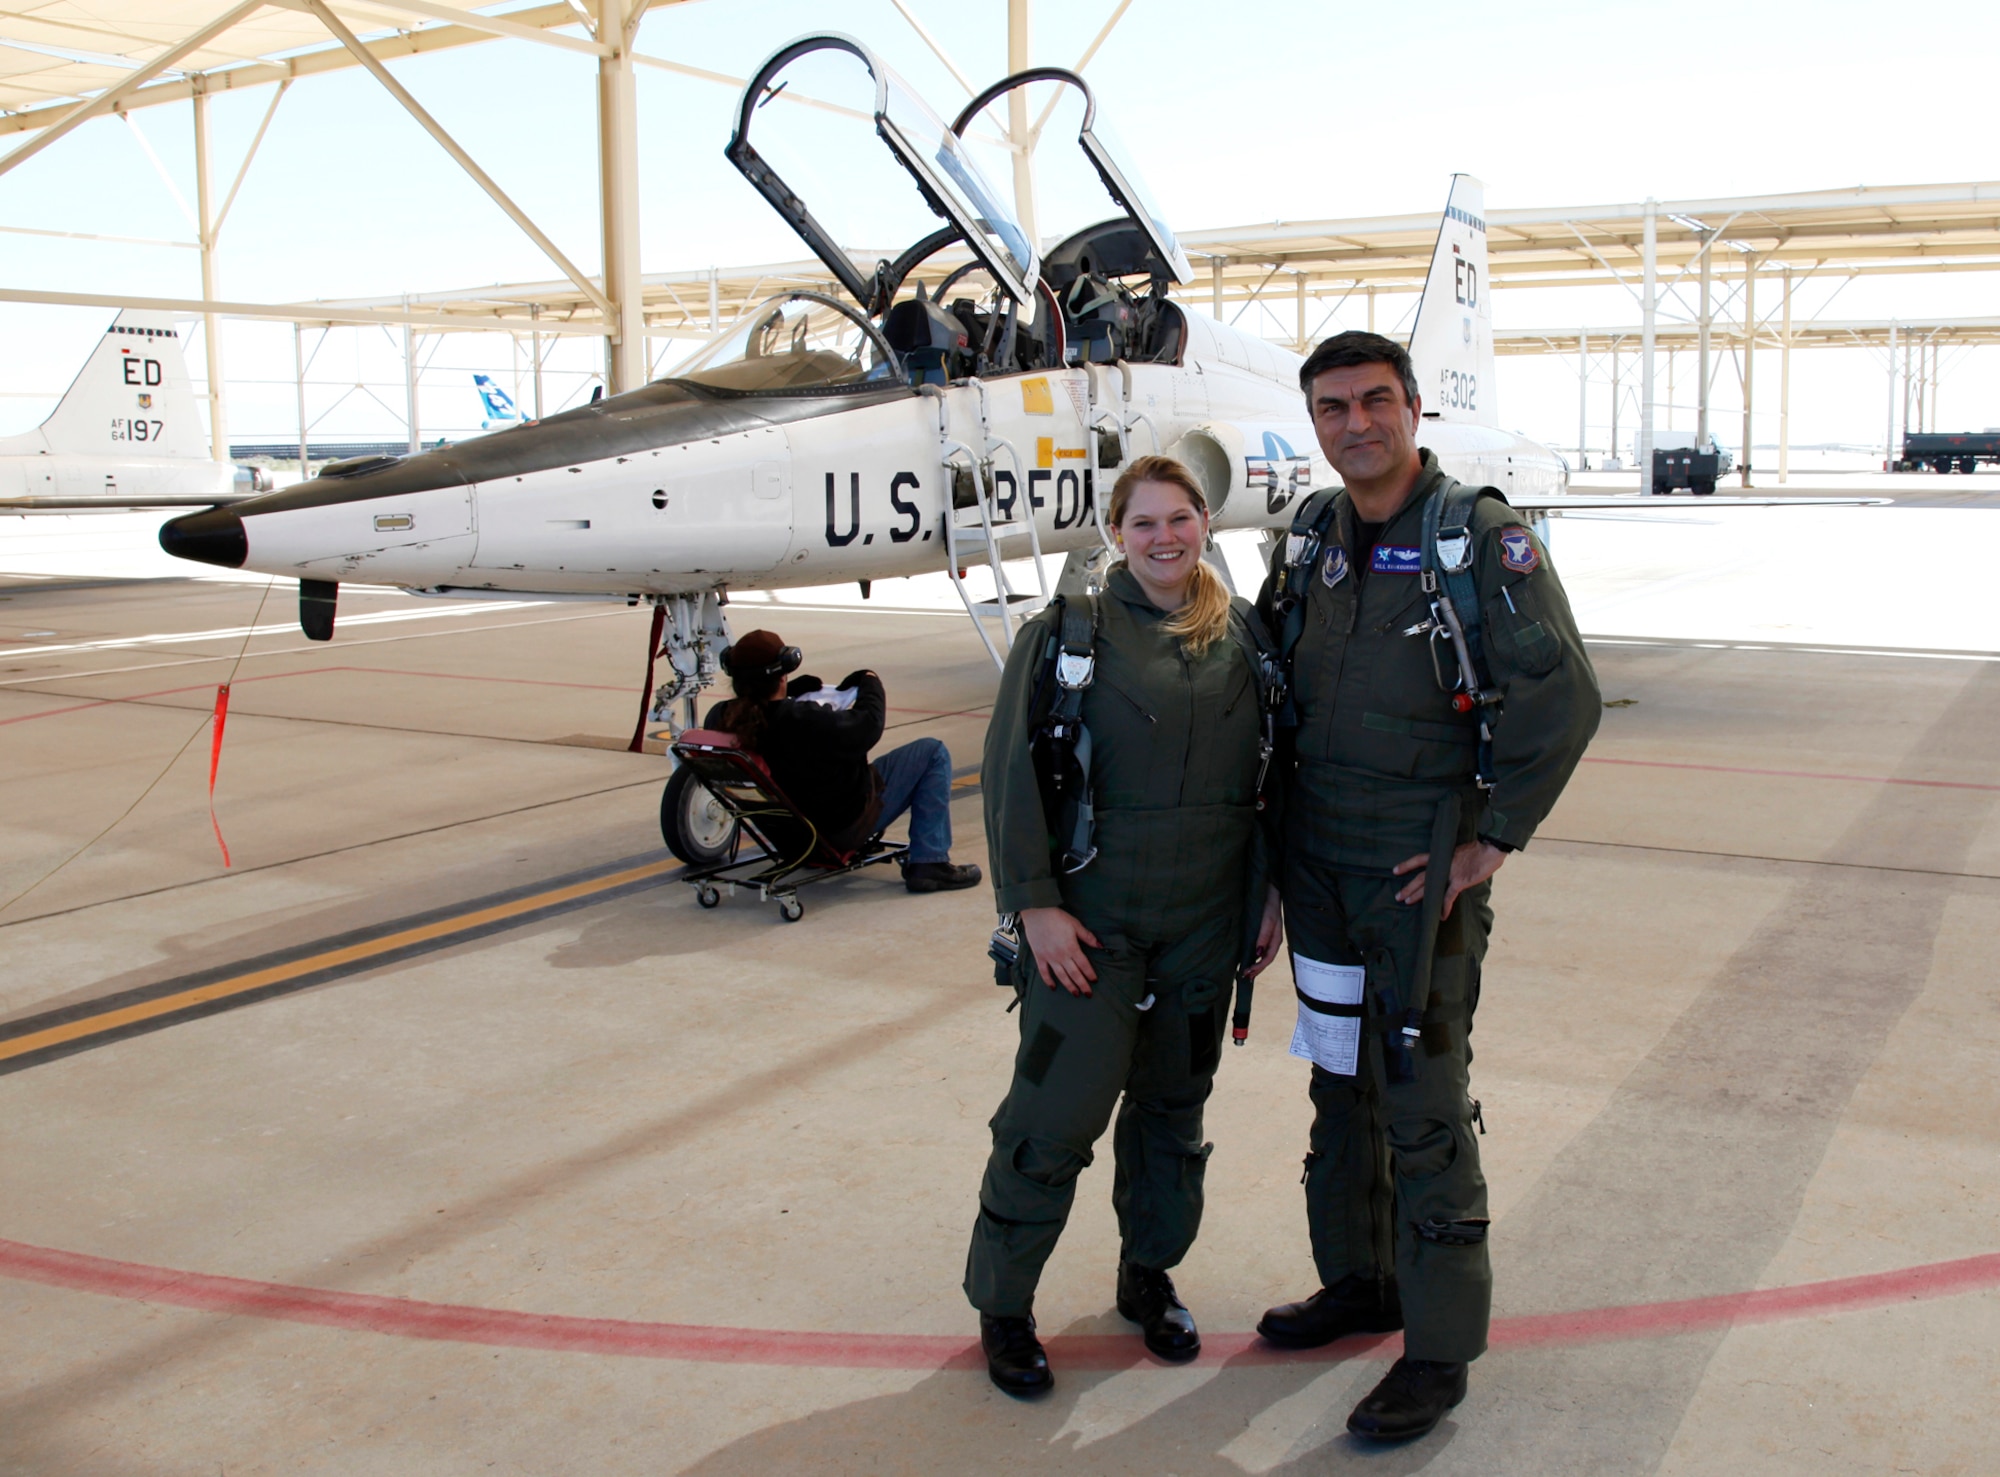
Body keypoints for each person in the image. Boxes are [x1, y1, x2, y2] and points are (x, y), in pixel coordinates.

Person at [1254, 331, 1600, 1440]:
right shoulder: (1309, 538)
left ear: (1411, 408)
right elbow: (1264, 683)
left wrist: (1488, 838)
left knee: (1421, 1102)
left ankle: (1438, 1346)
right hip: (1314, 866)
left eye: (1372, 402)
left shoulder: (1476, 540)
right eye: (1329, 409)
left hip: (1416, 877)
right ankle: (1360, 1280)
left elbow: (1563, 695)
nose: (1352, 425)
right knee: (1335, 1082)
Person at [965, 454, 1286, 1397]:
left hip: (1203, 928)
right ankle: (1004, 1306)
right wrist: (1036, 907)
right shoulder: (1069, 634)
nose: (1164, 539)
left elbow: (1273, 786)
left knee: (1172, 1119)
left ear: (1204, 522)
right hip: (1091, 932)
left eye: (1179, 519)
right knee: (1051, 1121)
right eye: (1143, 523)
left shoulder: (1245, 640)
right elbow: (1009, 774)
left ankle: (1148, 1276)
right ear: (1116, 533)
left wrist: (1264, 897)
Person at [707, 629, 981, 892]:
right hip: (840, 828)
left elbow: (763, 709)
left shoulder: (721, 718)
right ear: (782, 674)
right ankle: (929, 863)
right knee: (932, 752)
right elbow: (867, 726)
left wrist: (790, 691)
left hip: (790, 835)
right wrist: (870, 682)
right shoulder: (801, 720)